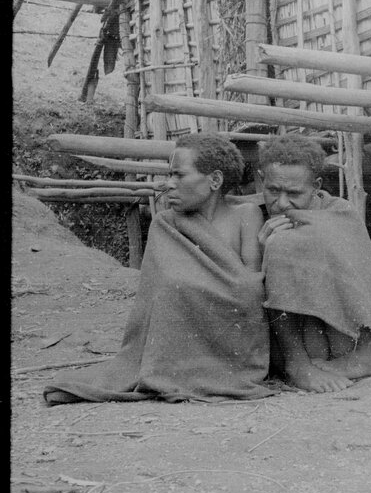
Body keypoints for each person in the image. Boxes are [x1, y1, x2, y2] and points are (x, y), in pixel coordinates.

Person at [44, 134, 273, 404]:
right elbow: (159, 292)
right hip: (179, 342)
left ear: (215, 180)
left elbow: (248, 287)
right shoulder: (165, 224)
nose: (168, 184)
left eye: (179, 175)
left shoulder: (246, 214)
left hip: (232, 341)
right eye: (169, 175)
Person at [257, 134, 371, 393]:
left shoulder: (339, 212)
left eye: (294, 193)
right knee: (280, 245)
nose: (281, 203)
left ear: (316, 186)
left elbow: (363, 283)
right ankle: (297, 364)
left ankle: (370, 353)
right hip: (297, 338)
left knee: (283, 245)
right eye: (273, 190)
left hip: (344, 334)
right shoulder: (251, 216)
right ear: (261, 180)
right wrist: (264, 251)